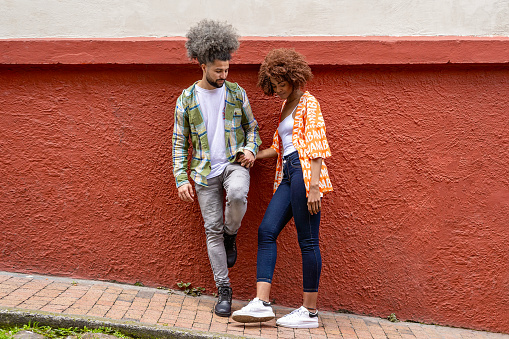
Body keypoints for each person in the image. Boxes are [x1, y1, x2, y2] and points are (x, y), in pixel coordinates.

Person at [232, 48, 333, 328]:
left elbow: (316, 145)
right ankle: (262, 304)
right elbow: (280, 147)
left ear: (294, 77)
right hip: (289, 173)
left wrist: (314, 186)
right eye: (274, 86)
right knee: (266, 231)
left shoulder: (309, 103)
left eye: (282, 85)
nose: (277, 90)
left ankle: (309, 312)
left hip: (303, 174)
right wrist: (254, 155)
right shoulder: (286, 105)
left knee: (308, 240)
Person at [172, 19, 261, 317]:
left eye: (227, 69)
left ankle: (231, 233)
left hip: (233, 164)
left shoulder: (236, 93)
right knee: (211, 230)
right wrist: (180, 178)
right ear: (202, 65)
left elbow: (253, 128)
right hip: (203, 173)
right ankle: (224, 289)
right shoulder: (186, 100)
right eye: (218, 70)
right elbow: (178, 143)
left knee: (237, 195)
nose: (224, 75)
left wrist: (250, 149)